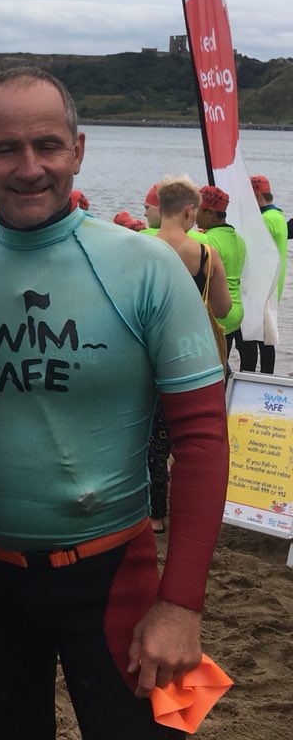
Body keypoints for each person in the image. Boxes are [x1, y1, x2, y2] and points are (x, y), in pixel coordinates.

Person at [0, 67, 229, 740]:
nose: (30, 166)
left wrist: (182, 602)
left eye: (48, 144)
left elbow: (201, 436)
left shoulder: (146, 266)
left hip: (115, 573)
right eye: (7, 148)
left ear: (78, 149)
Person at [147, 175, 231, 534]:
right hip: (193, 358)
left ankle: (154, 515)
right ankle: (188, 516)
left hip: (149, 357)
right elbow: (223, 308)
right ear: (189, 210)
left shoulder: (139, 246)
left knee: (152, 441)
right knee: (193, 442)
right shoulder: (205, 252)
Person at [235, 174, 287, 374]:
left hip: (262, 286)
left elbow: (248, 249)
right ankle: (266, 377)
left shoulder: (265, 220)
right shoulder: (279, 217)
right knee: (265, 336)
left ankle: (251, 376)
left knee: (254, 336)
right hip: (272, 285)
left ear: (257, 197)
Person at [191, 184, 246, 356]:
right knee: (223, 363)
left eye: (197, 209)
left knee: (211, 367)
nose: (193, 214)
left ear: (211, 213)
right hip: (235, 310)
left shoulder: (205, 239)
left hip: (218, 311)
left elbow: (167, 233)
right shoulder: (239, 239)